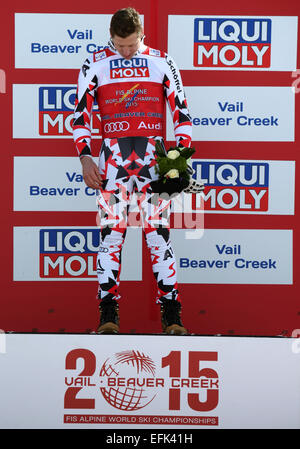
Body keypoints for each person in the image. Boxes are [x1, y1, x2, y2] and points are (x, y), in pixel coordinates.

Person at [73, 7, 192, 335]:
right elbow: (81, 116)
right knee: (111, 235)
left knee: (158, 234)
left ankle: (172, 315)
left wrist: (177, 162)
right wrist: (85, 158)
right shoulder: (95, 62)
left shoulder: (161, 61)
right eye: (119, 45)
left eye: (131, 44)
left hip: (155, 163)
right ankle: (107, 314)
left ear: (143, 36)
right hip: (112, 161)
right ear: (110, 36)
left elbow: (181, 115)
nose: (125, 51)